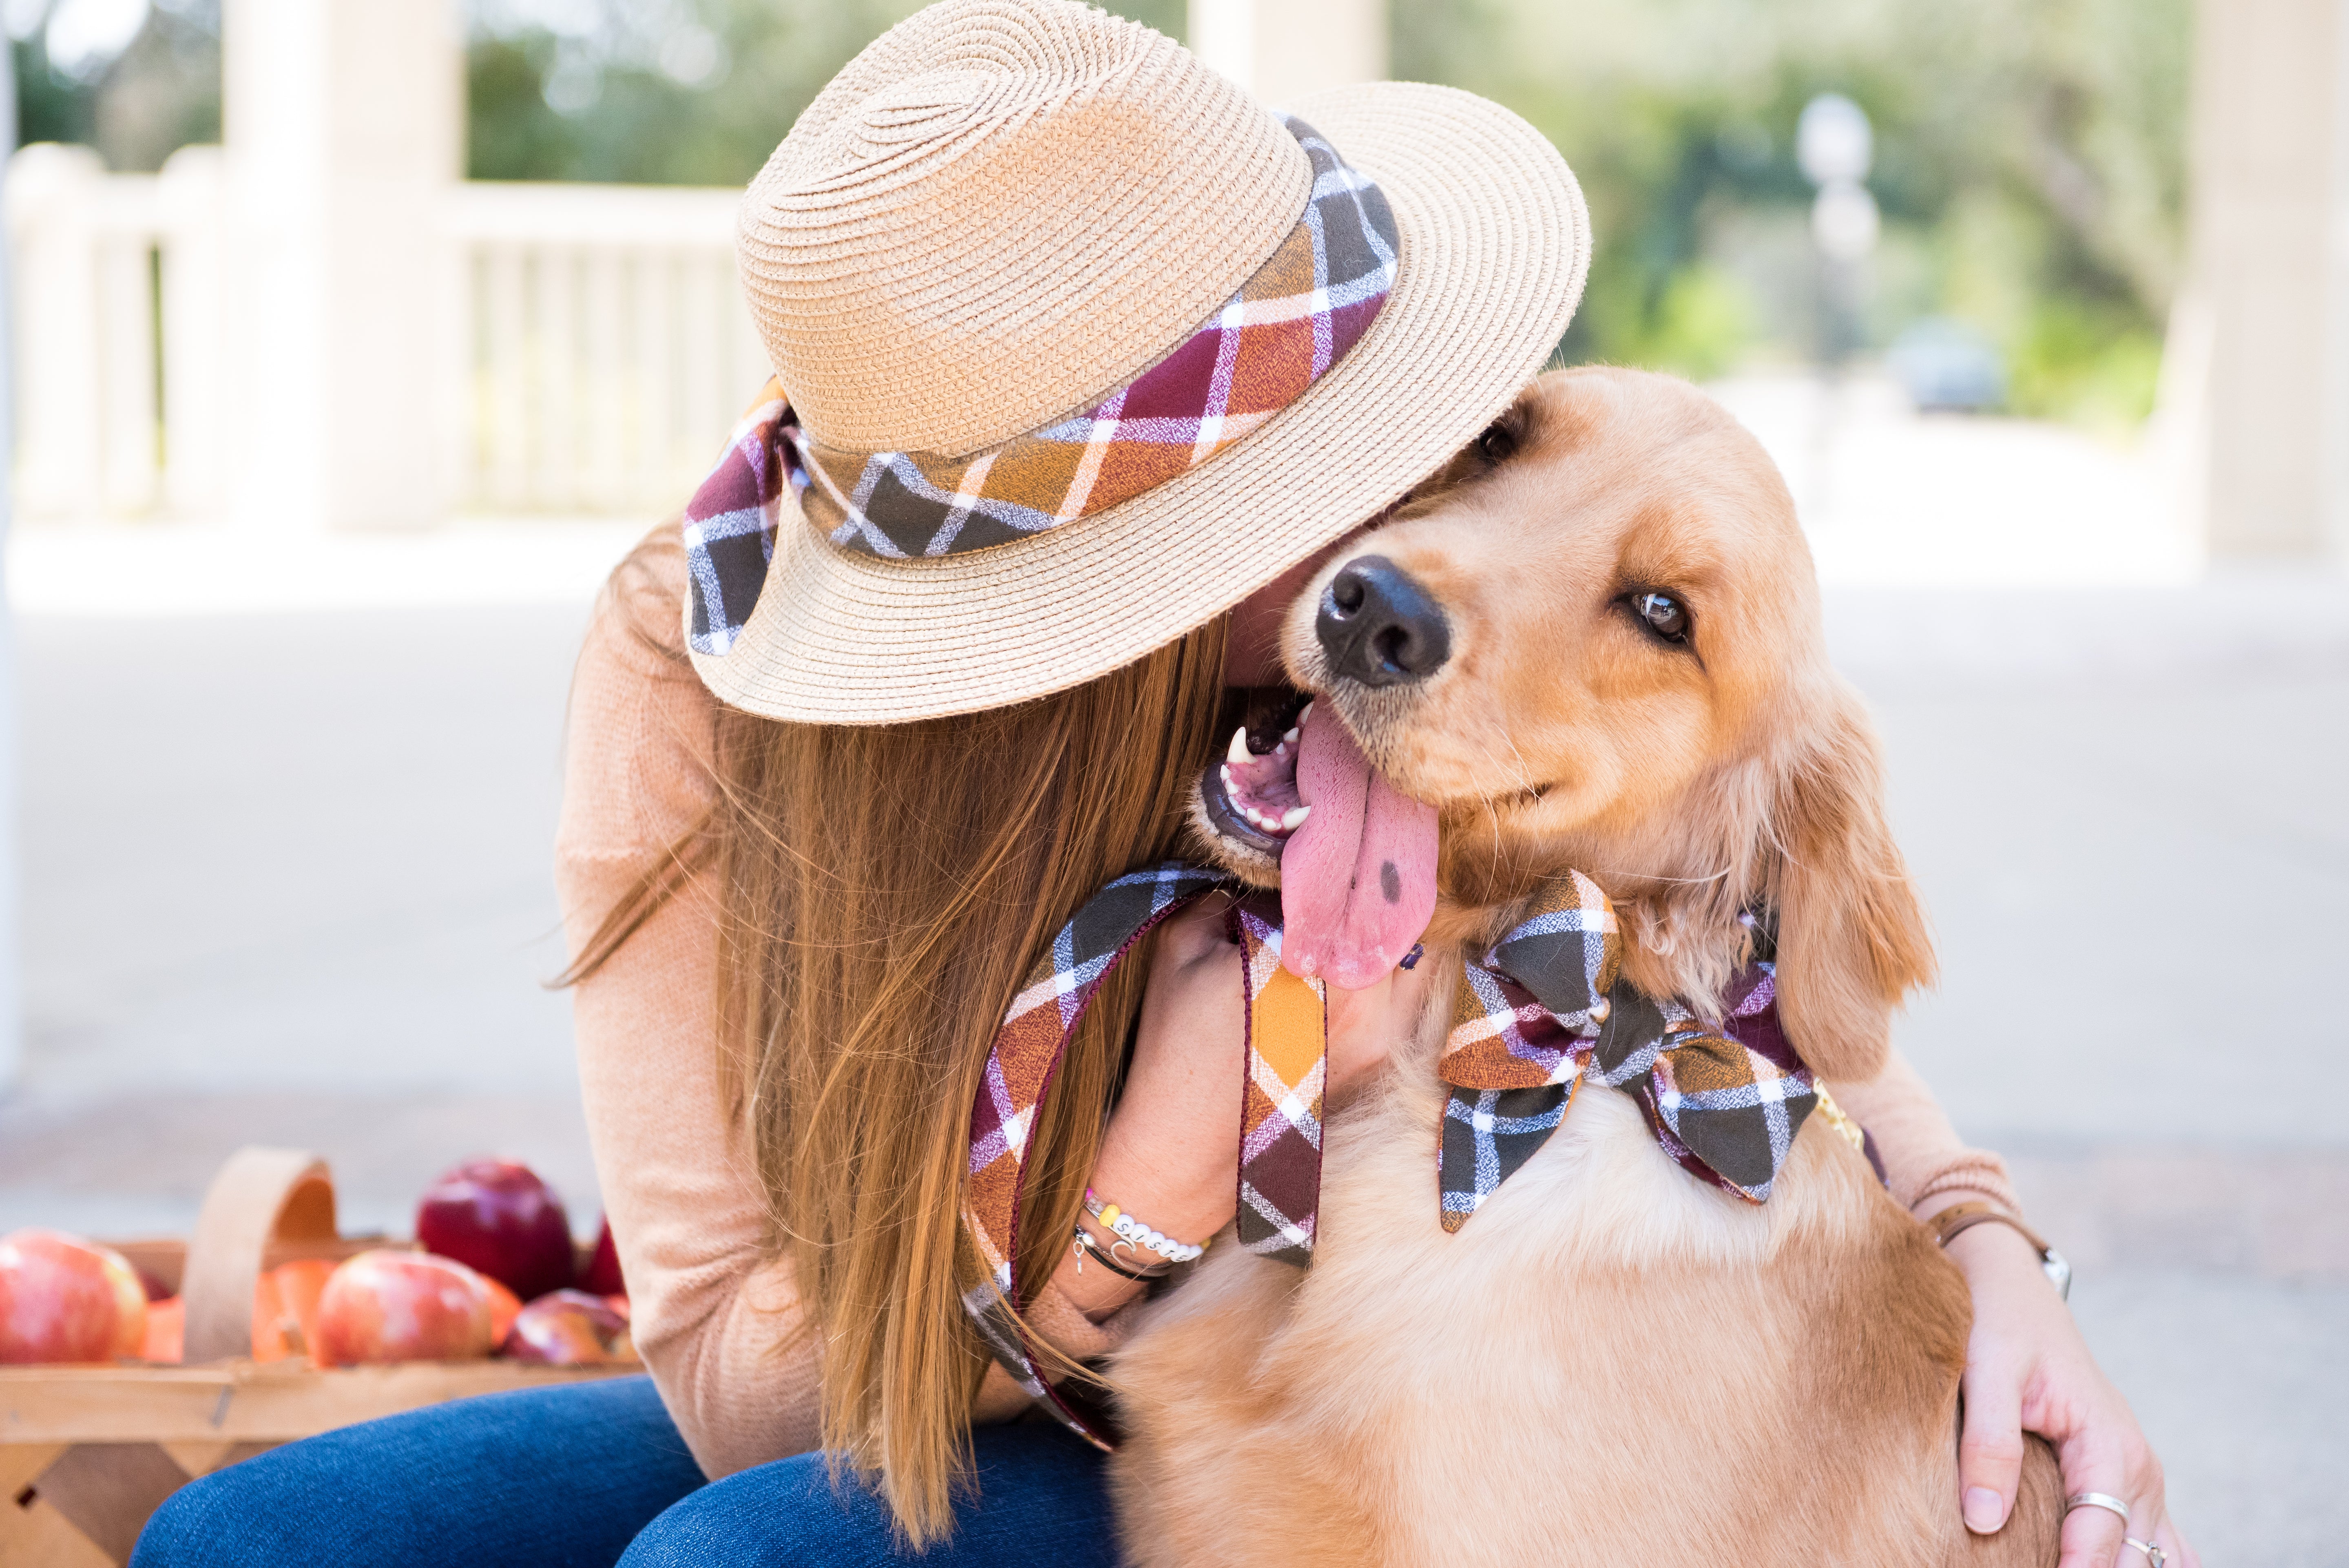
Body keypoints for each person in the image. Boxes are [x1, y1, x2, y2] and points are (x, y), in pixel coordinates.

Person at [134, 3, 2192, 1565]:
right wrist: (1142, 1188)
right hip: (933, 1375)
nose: (1384, 573)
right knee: (254, 1542)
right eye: (1255, 504)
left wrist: (1994, 1248)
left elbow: (1740, 953)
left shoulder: (1455, 539)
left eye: (1374, 449)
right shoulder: (698, 659)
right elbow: (744, 1381)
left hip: (1333, 1405)